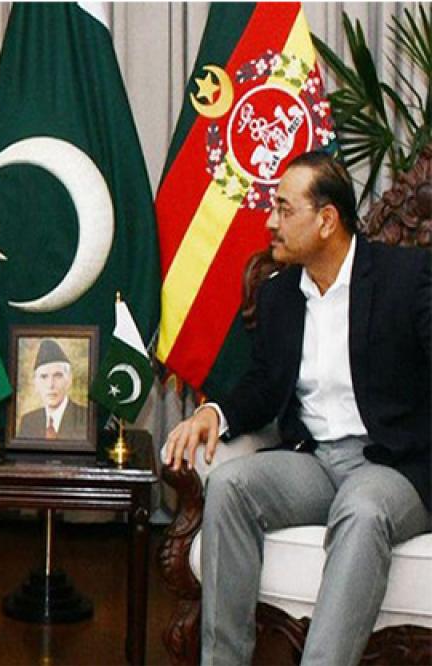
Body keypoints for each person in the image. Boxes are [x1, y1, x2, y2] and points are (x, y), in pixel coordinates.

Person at [162, 151, 430, 666]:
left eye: (284, 209)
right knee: (230, 485)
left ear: (326, 220)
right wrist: (214, 413)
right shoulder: (280, 295)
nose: (271, 222)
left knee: (362, 508)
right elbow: (264, 385)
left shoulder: (405, 277)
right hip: (317, 462)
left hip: (395, 466)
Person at [17, 338, 88, 440]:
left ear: (69, 380)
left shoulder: (85, 418)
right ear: (36, 383)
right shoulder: (28, 422)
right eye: (44, 377)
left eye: (57, 376)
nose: (50, 385)